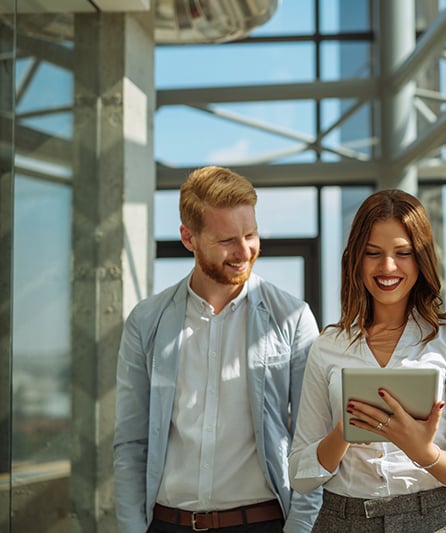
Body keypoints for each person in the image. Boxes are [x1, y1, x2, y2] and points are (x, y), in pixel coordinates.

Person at [113, 166, 322, 533]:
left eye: (251, 234)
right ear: (188, 237)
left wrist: (301, 528)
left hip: (262, 523)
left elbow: (312, 440)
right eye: (227, 240)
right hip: (167, 524)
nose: (244, 251)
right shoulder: (146, 321)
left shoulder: (292, 317)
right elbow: (132, 442)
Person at [288, 189, 446, 532]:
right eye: (373, 253)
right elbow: (300, 475)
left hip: (437, 519)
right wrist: (346, 430)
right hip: (343, 520)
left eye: (403, 253)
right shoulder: (328, 346)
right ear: (356, 259)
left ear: (422, 259)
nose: (387, 267)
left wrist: (424, 452)